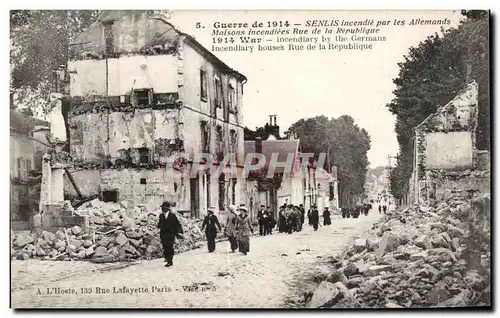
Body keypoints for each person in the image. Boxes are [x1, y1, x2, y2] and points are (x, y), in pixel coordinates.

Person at [157, 201, 183, 267]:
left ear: (167, 209)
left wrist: (178, 232)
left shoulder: (172, 216)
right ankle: (166, 257)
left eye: (163, 208)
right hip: (163, 235)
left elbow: (178, 224)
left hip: (170, 234)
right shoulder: (161, 216)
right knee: (165, 247)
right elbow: (159, 224)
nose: (162, 210)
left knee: (170, 247)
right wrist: (158, 226)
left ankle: (170, 261)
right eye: (162, 208)